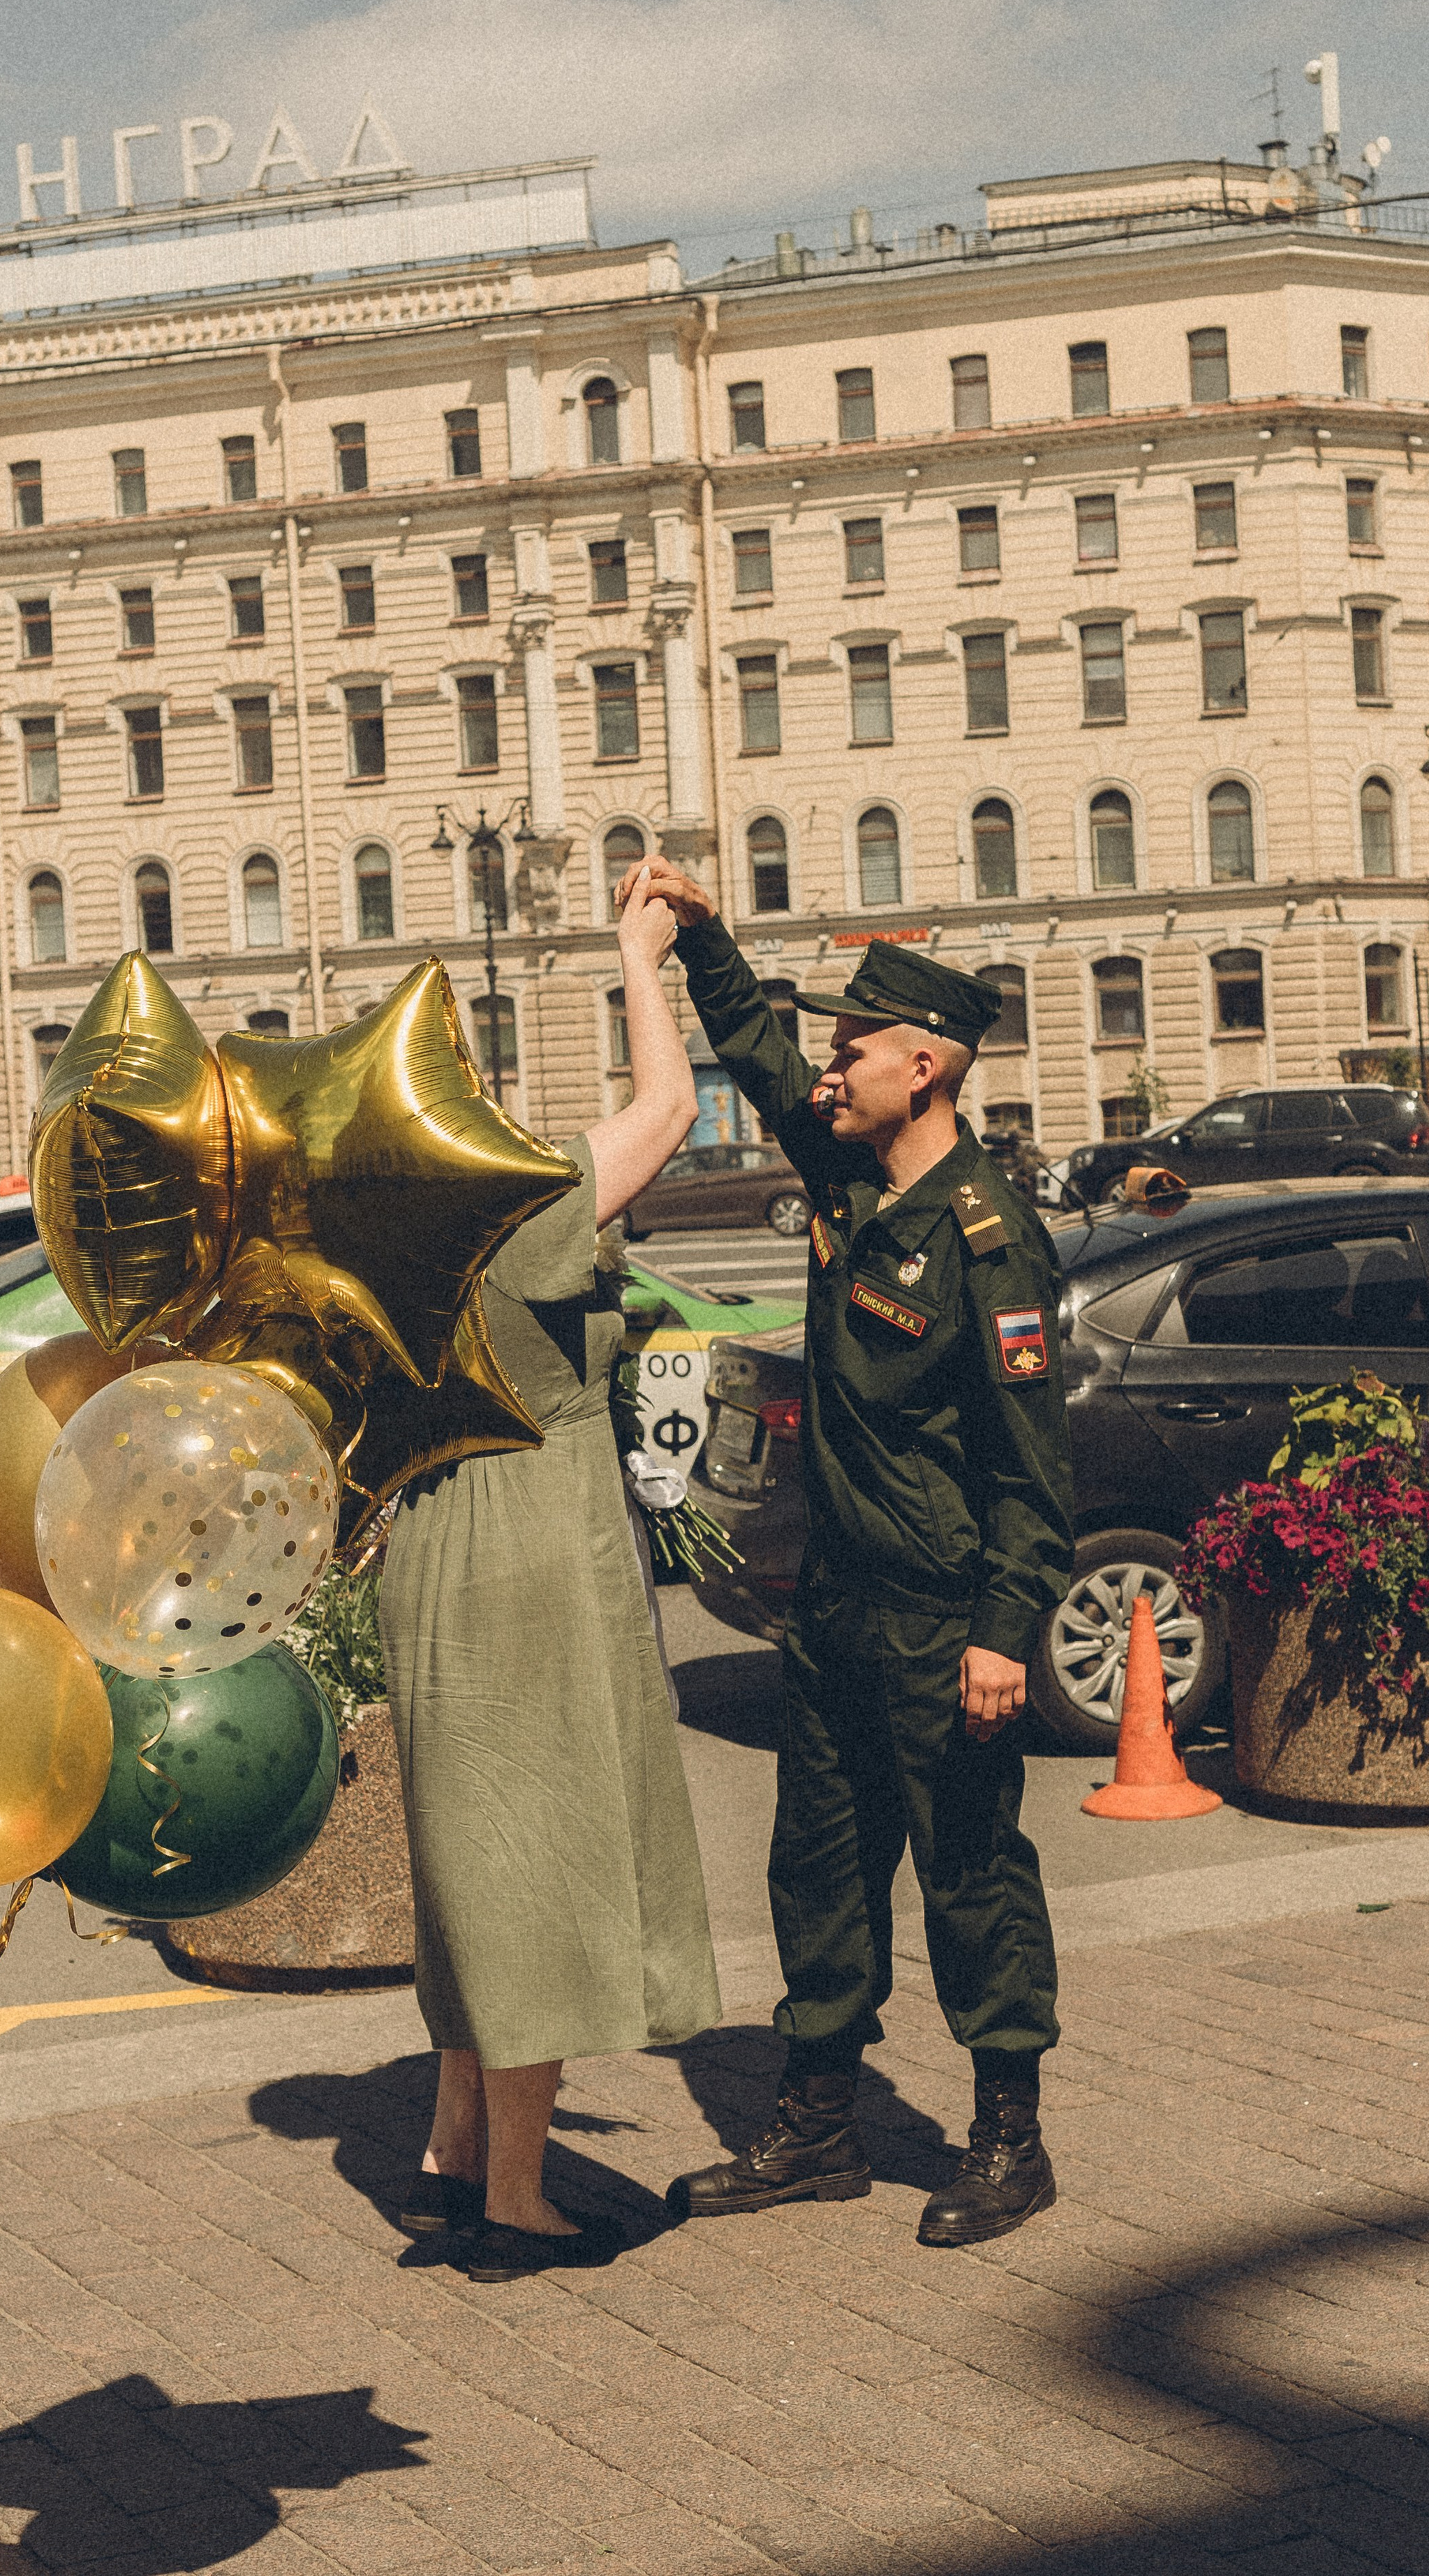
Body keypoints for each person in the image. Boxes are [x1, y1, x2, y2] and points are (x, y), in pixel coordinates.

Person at [627, 859, 1073, 2251]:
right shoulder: (845, 1172)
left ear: (923, 1066)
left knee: (969, 1875)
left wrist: (1005, 1628)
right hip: (830, 1605)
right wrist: (703, 936)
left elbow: (1032, 1474)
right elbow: (756, 1053)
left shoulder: (991, 1243)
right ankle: (815, 2124)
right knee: (816, 1866)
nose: (829, 1068)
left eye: (852, 1049)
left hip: (943, 1620)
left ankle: (1007, 2135)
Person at [384, 868, 720, 2281]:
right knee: (539, 1858)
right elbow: (670, 1115)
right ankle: (516, 2196)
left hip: (433, 1537)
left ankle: (453, 2148)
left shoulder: (386, 1228)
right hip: (532, 1533)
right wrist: (642, 957)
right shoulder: (507, 1205)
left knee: (466, 1857)